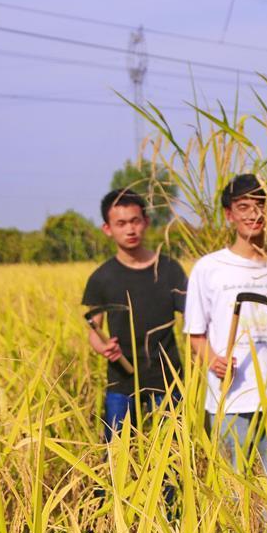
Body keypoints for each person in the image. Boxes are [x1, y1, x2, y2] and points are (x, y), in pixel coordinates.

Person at [185, 173, 267, 479]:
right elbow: (195, 334)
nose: (255, 214)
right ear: (229, 214)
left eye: (261, 205)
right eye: (244, 207)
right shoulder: (209, 268)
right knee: (233, 491)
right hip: (231, 397)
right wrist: (213, 361)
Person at [82, 188, 187, 441]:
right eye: (120, 223)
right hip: (122, 380)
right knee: (117, 455)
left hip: (167, 379)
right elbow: (93, 330)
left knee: (171, 457)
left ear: (146, 222)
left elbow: (194, 320)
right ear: (107, 228)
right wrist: (104, 347)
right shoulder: (101, 278)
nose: (130, 229)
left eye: (135, 221)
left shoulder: (170, 269)